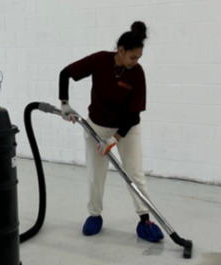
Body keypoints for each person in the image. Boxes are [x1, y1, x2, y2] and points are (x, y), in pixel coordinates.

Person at [59, 21, 164, 243]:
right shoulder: (100, 61)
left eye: (139, 58)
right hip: (96, 125)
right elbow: (65, 73)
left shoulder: (137, 74)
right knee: (95, 175)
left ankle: (144, 219)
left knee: (135, 174)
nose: (136, 62)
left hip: (126, 128)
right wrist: (64, 103)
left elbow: (134, 115)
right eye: (133, 57)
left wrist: (114, 140)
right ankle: (94, 215)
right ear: (121, 51)